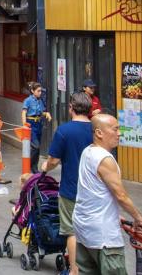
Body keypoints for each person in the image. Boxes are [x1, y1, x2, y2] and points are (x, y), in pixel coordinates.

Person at [74, 114, 142, 275]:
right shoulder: (105, 159)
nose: (119, 133)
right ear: (99, 133)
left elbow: (92, 190)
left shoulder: (87, 152)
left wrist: (114, 214)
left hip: (84, 228)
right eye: (115, 129)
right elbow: (121, 196)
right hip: (104, 236)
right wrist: (138, 217)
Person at [41, 91, 93, 275]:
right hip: (94, 191)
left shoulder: (64, 130)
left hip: (71, 188)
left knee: (71, 230)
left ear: (71, 107)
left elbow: (53, 161)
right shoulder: (97, 129)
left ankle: (75, 270)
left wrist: (44, 166)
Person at [22, 82, 52, 173]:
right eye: (38, 91)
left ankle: (34, 166)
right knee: (36, 146)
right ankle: (29, 164)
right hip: (30, 123)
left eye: (40, 91)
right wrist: (24, 123)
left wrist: (46, 113)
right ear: (32, 91)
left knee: (37, 146)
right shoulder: (28, 100)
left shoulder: (40, 101)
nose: (40, 93)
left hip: (38, 123)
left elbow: (41, 112)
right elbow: (24, 112)